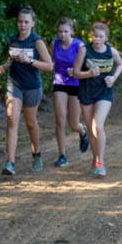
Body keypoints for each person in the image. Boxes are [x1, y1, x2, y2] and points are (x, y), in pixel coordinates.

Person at [0, 6, 53, 176]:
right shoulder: (13, 40)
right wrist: (4, 66)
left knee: (30, 123)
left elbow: (49, 66)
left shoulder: (37, 41)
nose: (22, 25)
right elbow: (11, 59)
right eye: (20, 21)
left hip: (32, 87)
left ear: (32, 23)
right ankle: (10, 162)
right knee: (12, 120)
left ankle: (36, 153)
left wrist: (30, 60)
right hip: (14, 84)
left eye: (26, 22)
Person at [70, 21, 122, 177]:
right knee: (91, 130)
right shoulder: (84, 50)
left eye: (100, 36)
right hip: (86, 92)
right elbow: (75, 72)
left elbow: (120, 64)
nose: (97, 39)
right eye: (94, 36)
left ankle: (101, 162)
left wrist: (113, 77)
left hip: (104, 92)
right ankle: (95, 158)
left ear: (106, 38)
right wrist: (88, 74)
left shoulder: (111, 51)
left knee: (97, 126)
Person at [49, 17, 90, 168]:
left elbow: (82, 67)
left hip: (75, 83)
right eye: (60, 31)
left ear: (72, 31)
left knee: (73, 123)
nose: (62, 35)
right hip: (59, 82)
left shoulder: (79, 46)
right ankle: (62, 155)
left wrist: (76, 71)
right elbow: (50, 62)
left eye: (66, 31)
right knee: (60, 119)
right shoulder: (54, 43)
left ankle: (83, 131)